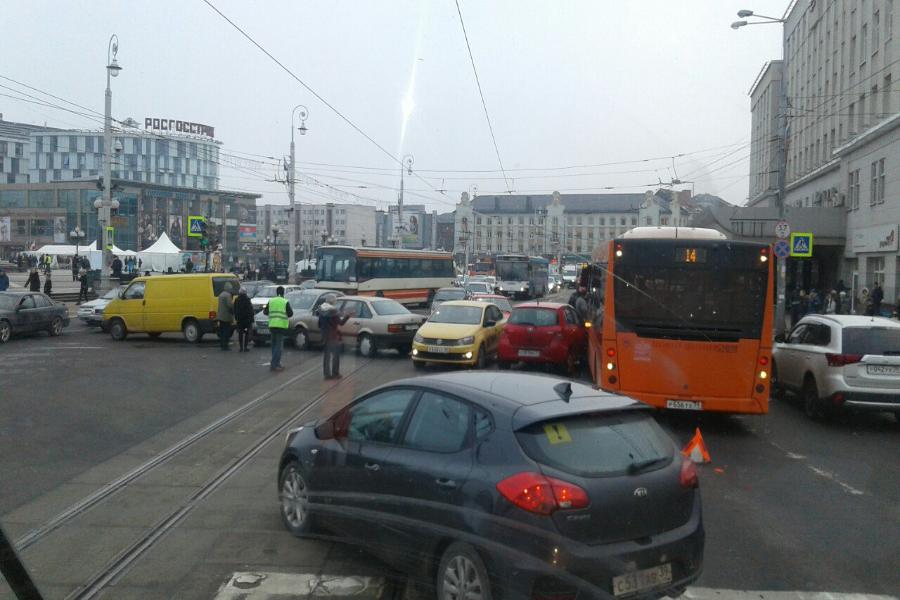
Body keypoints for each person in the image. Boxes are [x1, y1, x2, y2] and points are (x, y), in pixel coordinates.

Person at [264, 286, 293, 372]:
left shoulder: (271, 301)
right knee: (279, 347)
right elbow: (290, 313)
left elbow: (265, 312)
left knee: (273, 345)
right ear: (283, 293)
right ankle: (274, 364)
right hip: (281, 326)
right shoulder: (285, 302)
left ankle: (276, 363)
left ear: (276, 292)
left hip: (272, 325)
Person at [318, 302, 349, 379]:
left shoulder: (322, 312)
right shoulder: (334, 312)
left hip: (325, 337)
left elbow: (319, 325)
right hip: (333, 337)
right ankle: (335, 373)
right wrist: (347, 316)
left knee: (326, 357)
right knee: (336, 356)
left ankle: (326, 374)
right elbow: (341, 323)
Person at [234, 288, 254, 352]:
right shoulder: (247, 299)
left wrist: (236, 318)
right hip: (247, 320)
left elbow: (235, 309)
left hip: (239, 319)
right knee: (246, 333)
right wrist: (251, 319)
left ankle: (241, 347)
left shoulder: (237, 300)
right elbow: (250, 310)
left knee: (240, 333)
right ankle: (245, 347)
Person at [217, 282, 235, 351]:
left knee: (222, 331)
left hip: (220, 316)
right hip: (226, 316)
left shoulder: (221, 294)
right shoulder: (227, 295)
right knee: (226, 332)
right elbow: (230, 305)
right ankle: (225, 346)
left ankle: (222, 345)